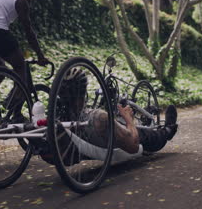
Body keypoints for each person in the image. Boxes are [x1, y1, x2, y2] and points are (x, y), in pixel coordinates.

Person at [39, 68, 178, 164]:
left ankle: (149, 115)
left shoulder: (59, 118)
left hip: (78, 146)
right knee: (149, 135)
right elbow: (134, 145)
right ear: (83, 92)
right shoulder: (99, 118)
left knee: (118, 121)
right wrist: (129, 119)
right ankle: (168, 129)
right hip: (121, 141)